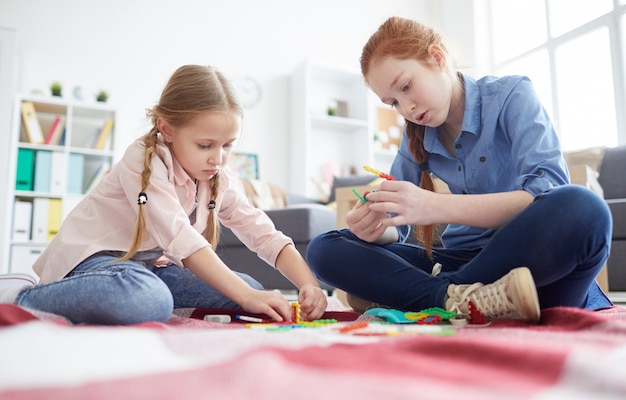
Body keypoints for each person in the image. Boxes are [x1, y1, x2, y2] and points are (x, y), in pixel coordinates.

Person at [306, 17, 613, 322]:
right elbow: (396, 230)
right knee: (325, 248)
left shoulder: (512, 96)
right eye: (393, 102)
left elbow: (544, 193)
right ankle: (460, 301)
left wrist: (436, 207)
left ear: (437, 58)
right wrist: (375, 230)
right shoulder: (416, 135)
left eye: (407, 86)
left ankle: (435, 296)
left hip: (524, 259)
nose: (407, 109)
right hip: (456, 262)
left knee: (585, 209)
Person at [0, 65, 327, 324]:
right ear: (166, 129)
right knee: (146, 298)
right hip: (93, 261)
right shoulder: (142, 160)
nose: (219, 157)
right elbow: (181, 238)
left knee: (252, 290)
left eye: (228, 145)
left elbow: (262, 233)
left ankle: (155, 297)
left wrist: (307, 283)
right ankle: (21, 295)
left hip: (145, 268)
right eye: (205, 145)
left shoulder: (216, 176)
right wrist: (243, 295)